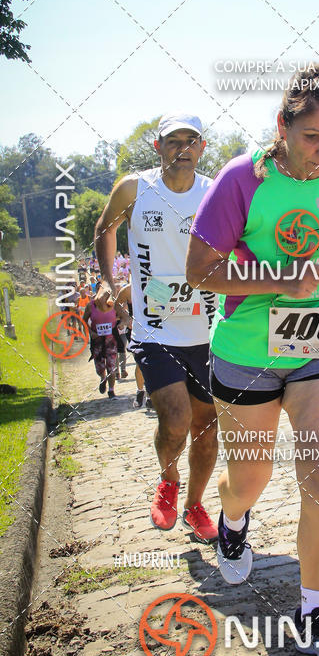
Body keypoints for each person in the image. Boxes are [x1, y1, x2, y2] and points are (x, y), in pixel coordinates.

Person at [186, 66, 319, 656]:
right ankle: (233, 516)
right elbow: (199, 270)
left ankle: (315, 612)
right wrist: (274, 278)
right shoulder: (241, 180)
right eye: (311, 138)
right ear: (282, 125)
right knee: (251, 476)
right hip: (247, 351)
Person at [95, 112, 219, 542]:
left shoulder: (214, 192)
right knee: (176, 417)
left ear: (201, 147)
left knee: (207, 427)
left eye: (191, 141)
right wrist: (111, 284)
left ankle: (195, 505)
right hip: (154, 328)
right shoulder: (134, 188)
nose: (182, 148)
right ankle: (168, 481)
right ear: (158, 146)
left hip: (206, 332)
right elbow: (103, 229)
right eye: (173, 141)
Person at [115, 282, 149, 408]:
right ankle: (140, 391)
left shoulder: (156, 283)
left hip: (156, 329)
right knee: (140, 362)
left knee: (154, 361)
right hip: (136, 331)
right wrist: (126, 318)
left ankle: (150, 393)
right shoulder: (128, 289)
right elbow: (116, 304)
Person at [83, 291, 118, 399]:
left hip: (111, 340)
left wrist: (121, 324)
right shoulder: (91, 305)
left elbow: (123, 316)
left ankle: (111, 390)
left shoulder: (114, 304)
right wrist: (90, 332)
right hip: (97, 340)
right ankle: (103, 378)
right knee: (99, 367)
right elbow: (84, 320)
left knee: (111, 366)